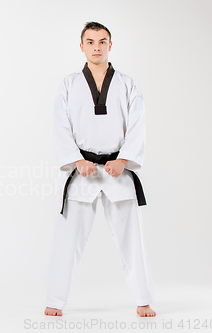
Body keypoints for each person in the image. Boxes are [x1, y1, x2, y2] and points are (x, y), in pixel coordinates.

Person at [44, 22, 156, 317]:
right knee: (67, 238)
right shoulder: (68, 83)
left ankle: (143, 299)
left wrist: (125, 159)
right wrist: (74, 158)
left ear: (110, 45)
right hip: (83, 170)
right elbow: (59, 124)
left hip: (118, 168)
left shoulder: (127, 83)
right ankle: (56, 299)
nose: (96, 47)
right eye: (90, 42)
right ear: (81, 46)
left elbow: (138, 124)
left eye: (102, 41)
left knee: (132, 238)